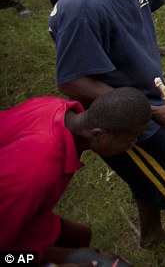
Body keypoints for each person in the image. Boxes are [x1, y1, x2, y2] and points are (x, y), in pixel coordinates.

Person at [50, 0, 165, 247]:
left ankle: (151, 235)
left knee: (144, 175)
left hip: (145, 93)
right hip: (119, 113)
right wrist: (152, 113)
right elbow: (71, 82)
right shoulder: (85, 8)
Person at [0, 88, 150, 263]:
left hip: (22, 213)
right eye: (130, 139)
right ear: (99, 135)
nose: (132, 145)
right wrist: (65, 259)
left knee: (81, 236)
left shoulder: (56, 107)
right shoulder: (35, 178)